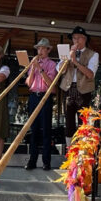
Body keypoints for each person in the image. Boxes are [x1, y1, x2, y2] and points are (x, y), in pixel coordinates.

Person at [58, 26, 99, 150]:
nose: (75, 40)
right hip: (68, 88)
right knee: (69, 121)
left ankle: (83, 150)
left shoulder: (93, 54)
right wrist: (68, 58)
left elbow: (90, 74)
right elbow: (60, 70)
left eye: (78, 38)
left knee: (84, 121)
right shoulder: (67, 52)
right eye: (74, 38)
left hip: (84, 90)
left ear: (85, 39)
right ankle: (70, 150)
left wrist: (75, 61)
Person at [25, 38, 58, 171]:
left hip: (45, 96)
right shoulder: (34, 63)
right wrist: (33, 68)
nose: (40, 51)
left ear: (48, 50)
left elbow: (50, 83)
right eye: (39, 48)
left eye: (43, 48)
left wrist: (40, 69)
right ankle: (32, 161)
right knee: (33, 130)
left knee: (45, 130)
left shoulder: (52, 64)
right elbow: (28, 83)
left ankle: (46, 162)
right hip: (33, 96)